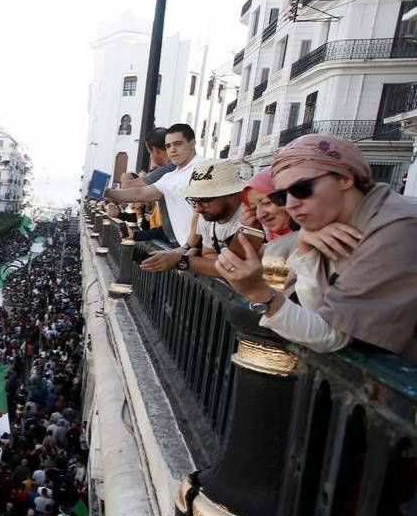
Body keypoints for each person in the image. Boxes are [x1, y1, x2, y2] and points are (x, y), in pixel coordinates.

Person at [216, 134, 417, 360]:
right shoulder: (305, 235)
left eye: (302, 189)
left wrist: (257, 291)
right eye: (282, 196)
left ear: (345, 178)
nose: (291, 204)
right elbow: (310, 307)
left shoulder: (392, 229)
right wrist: (303, 248)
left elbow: (327, 332)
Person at [104, 123, 202, 250]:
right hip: (181, 248)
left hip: (199, 249)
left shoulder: (204, 168)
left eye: (178, 144)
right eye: (168, 146)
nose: (172, 149)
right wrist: (107, 191)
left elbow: (201, 217)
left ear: (192, 143)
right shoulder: (170, 177)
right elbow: (140, 193)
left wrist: (187, 249)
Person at [159, 160, 245, 277]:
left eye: (204, 201)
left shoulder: (251, 218)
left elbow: (236, 268)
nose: (198, 209)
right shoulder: (207, 216)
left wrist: (183, 261)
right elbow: (209, 253)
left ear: (232, 194)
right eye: (194, 201)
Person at [240, 168, 295, 240]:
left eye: (266, 202)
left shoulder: (309, 237)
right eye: (254, 208)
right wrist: (257, 231)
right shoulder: (270, 238)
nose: (260, 215)